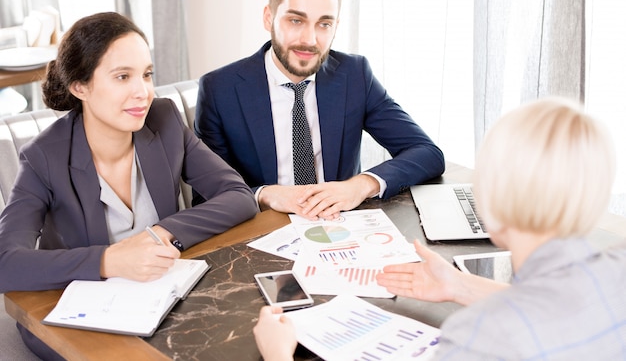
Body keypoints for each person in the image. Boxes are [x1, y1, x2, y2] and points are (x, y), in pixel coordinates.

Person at [253, 97, 626, 360]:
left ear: (492, 199)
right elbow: (560, 308)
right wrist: (460, 286)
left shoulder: (481, 337)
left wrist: (278, 353)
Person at [0, 12, 258, 360]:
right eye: (123, 77)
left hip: (162, 297)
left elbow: (239, 197)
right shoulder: (43, 157)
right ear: (80, 87)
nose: (143, 92)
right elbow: (6, 263)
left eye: (147, 75)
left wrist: (162, 233)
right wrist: (109, 261)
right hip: (83, 313)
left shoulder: (164, 120)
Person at [194, 0, 445, 220]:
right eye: (295, 21)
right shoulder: (219, 89)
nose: (309, 40)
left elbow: (427, 153)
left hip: (340, 228)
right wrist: (265, 194)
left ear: (335, 27)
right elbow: (206, 193)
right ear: (269, 18)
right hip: (262, 232)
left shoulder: (354, 75)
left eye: (324, 24)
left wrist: (359, 186)